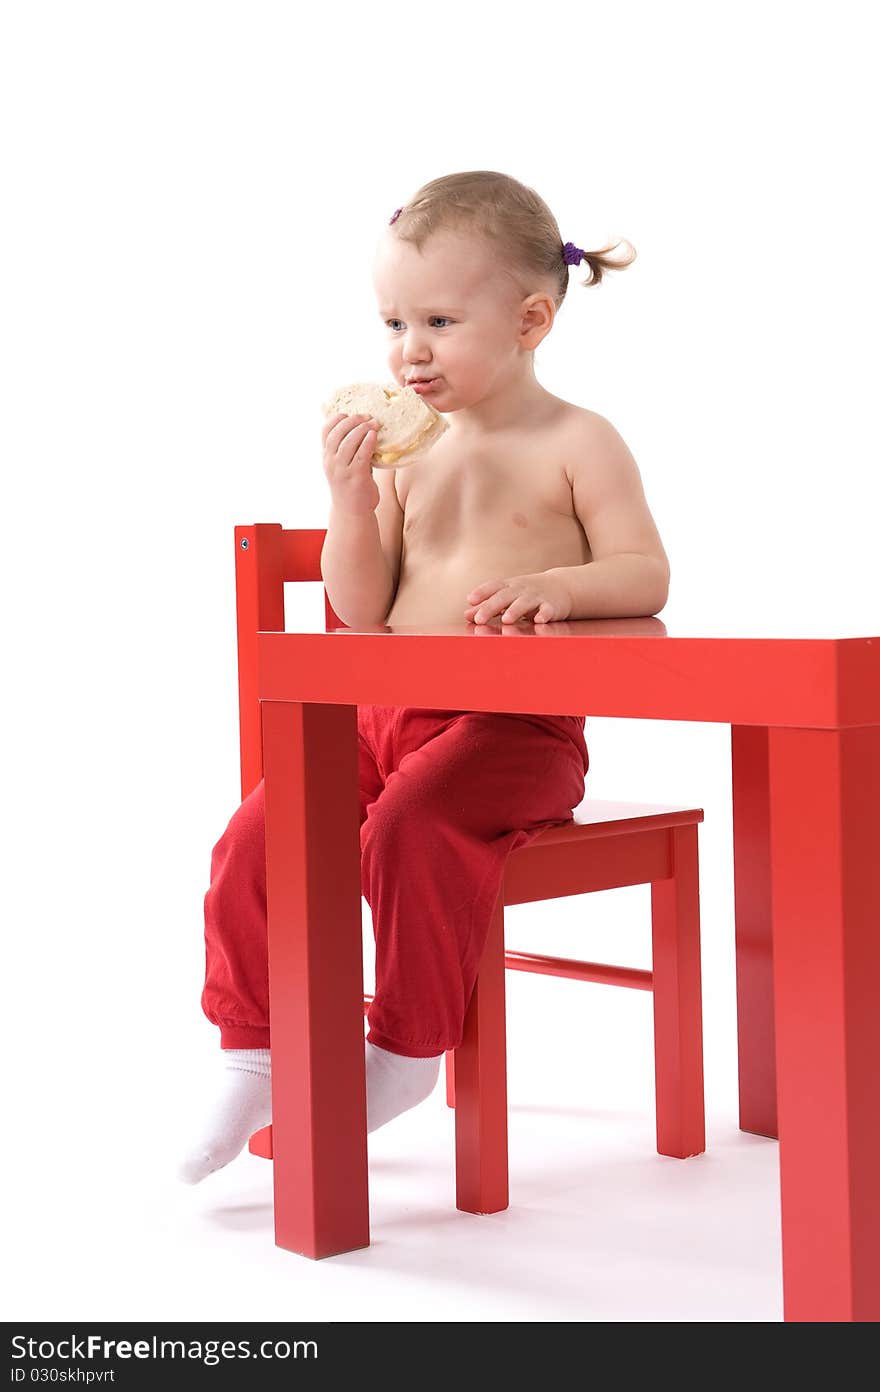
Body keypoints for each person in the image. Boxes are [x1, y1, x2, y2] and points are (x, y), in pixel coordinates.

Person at [179, 169, 671, 1184]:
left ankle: (402, 1048)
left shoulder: (576, 441)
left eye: (439, 320)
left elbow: (645, 570)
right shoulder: (410, 454)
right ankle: (249, 1050)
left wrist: (560, 587)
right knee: (252, 837)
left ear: (530, 319)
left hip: (512, 731)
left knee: (411, 826)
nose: (409, 349)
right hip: (377, 721)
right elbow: (360, 611)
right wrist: (352, 503)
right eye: (393, 321)